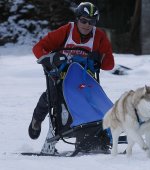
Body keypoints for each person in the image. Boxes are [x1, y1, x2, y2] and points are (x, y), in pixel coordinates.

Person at [28, 2, 115, 140]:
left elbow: (109, 65)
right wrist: (51, 58)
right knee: (52, 95)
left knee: (92, 98)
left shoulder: (99, 36)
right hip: (60, 74)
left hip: (84, 77)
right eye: (83, 20)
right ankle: (36, 120)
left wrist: (99, 57)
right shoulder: (66, 30)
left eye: (91, 22)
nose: (87, 25)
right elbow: (38, 48)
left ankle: (91, 130)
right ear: (77, 19)